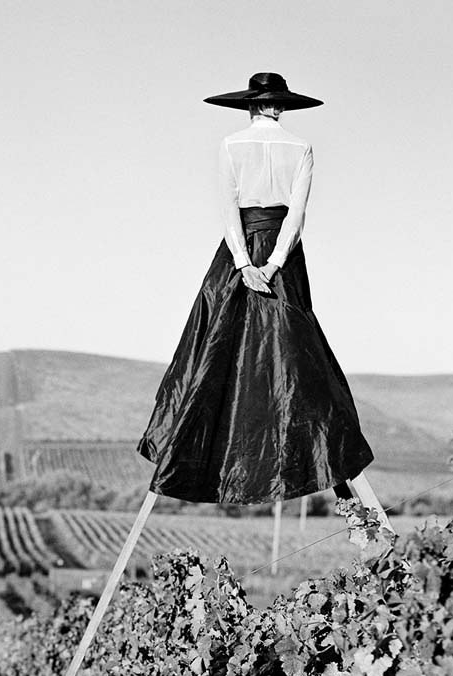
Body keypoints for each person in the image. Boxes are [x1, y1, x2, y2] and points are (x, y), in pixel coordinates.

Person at [137, 73, 373, 505]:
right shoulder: (301, 148)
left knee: (214, 347)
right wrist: (274, 264)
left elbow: (228, 210)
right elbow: (296, 218)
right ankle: (312, 456)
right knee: (294, 353)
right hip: (282, 257)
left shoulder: (230, 145)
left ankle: (207, 451)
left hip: (239, 251)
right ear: (281, 107)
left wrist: (245, 264)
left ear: (250, 106)